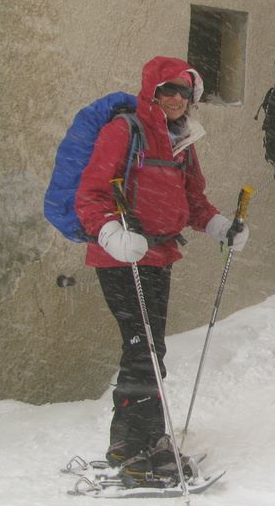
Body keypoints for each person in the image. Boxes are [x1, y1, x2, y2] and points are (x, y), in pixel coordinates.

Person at [75, 56, 250, 482]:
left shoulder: (182, 141)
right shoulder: (125, 131)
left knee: (150, 349)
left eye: (184, 91)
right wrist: (112, 233)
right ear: (151, 90)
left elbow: (193, 200)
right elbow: (91, 193)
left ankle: (138, 438)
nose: (175, 98)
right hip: (122, 258)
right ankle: (136, 446)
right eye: (167, 89)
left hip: (158, 257)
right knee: (143, 349)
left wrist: (219, 226)